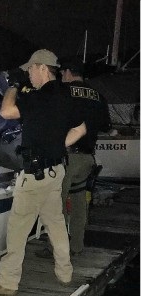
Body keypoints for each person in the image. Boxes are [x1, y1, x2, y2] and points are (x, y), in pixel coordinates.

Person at [0, 49, 86, 296]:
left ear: (42, 68)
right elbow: (81, 129)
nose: (28, 73)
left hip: (34, 176)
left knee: (17, 230)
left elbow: (6, 111)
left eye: (30, 69)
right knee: (57, 225)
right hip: (55, 171)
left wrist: (13, 85)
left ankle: (7, 283)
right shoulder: (66, 96)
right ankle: (65, 274)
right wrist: (56, 146)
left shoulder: (37, 98)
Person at [35, 57, 111, 259]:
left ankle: (55, 248)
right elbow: (105, 126)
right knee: (78, 203)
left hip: (67, 157)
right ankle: (77, 245)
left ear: (68, 72)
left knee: (56, 205)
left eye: (62, 74)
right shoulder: (98, 96)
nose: (61, 77)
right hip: (87, 158)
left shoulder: (64, 92)